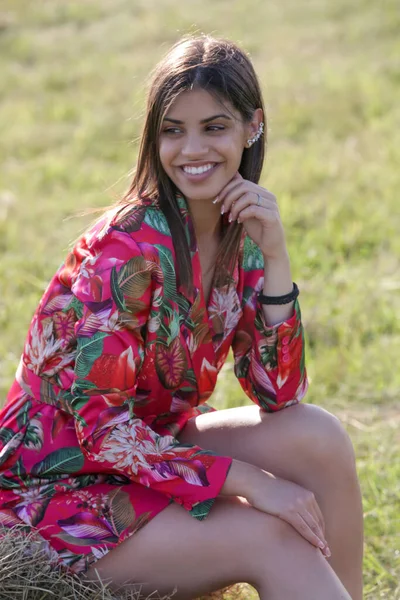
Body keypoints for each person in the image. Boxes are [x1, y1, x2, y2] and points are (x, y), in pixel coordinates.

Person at [0, 35, 363, 600]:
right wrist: (249, 483)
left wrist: (275, 258)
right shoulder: (124, 251)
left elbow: (279, 393)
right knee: (272, 537)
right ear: (155, 137)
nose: (192, 148)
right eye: (174, 130)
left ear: (253, 125)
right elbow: (99, 429)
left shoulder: (240, 232)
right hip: (55, 488)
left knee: (318, 435)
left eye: (214, 126)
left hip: (152, 449)